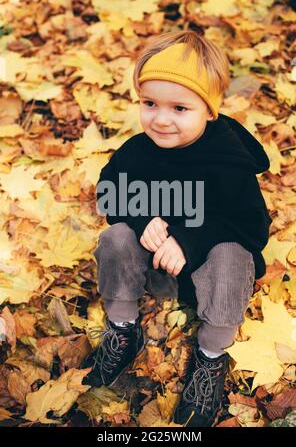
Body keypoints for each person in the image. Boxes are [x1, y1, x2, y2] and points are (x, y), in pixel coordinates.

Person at [81, 30, 272, 427]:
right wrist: (139, 218)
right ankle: (122, 329)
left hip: (206, 276)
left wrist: (188, 239)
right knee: (115, 236)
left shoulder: (228, 161)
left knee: (235, 255)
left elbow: (251, 228)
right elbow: (108, 192)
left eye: (180, 108)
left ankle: (211, 356)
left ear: (210, 110)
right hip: (154, 272)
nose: (161, 119)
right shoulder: (137, 151)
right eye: (149, 103)